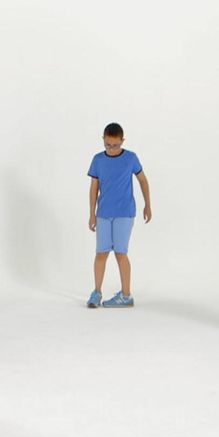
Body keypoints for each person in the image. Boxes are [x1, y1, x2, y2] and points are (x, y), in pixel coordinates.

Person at [86, 122, 151, 308]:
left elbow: (143, 180)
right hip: (104, 214)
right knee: (101, 253)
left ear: (122, 141)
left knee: (121, 253)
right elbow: (94, 188)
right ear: (103, 140)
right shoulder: (98, 160)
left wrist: (148, 204)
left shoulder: (130, 158)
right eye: (108, 145)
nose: (112, 149)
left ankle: (126, 295)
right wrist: (92, 214)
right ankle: (96, 292)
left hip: (124, 213)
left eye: (115, 145)